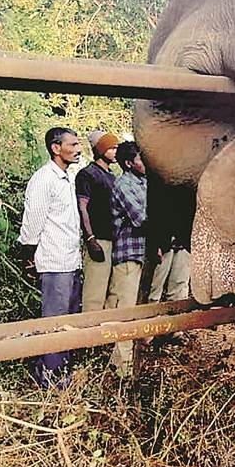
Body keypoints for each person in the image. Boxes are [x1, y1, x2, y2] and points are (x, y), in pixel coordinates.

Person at [17, 127, 82, 387]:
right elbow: (32, 223)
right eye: (73, 144)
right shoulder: (44, 179)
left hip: (71, 261)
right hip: (54, 262)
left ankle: (61, 370)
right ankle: (51, 378)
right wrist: (27, 256)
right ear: (56, 148)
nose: (78, 149)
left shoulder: (67, 177)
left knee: (67, 319)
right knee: (54, 321)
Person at [108, 140, 147, 377]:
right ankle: (124, 370)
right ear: (128, 163)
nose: (146, 162)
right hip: (128, 254)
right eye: (141, 159)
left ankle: (118, 362)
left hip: (142, 253)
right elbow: (141, 218)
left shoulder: (145, 182)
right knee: (127, 310)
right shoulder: (123, 184)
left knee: (137, 309)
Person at [75, 130, 118, 312]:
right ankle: (90, 336)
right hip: (98, 239)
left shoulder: (112, 177)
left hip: (113, 239)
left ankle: (104, 335)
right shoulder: (87, 174)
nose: (116, 151)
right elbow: (82, 206)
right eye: (112, 147)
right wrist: (91, 239)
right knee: (94, 293)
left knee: (111, 291)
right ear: (101, 150)